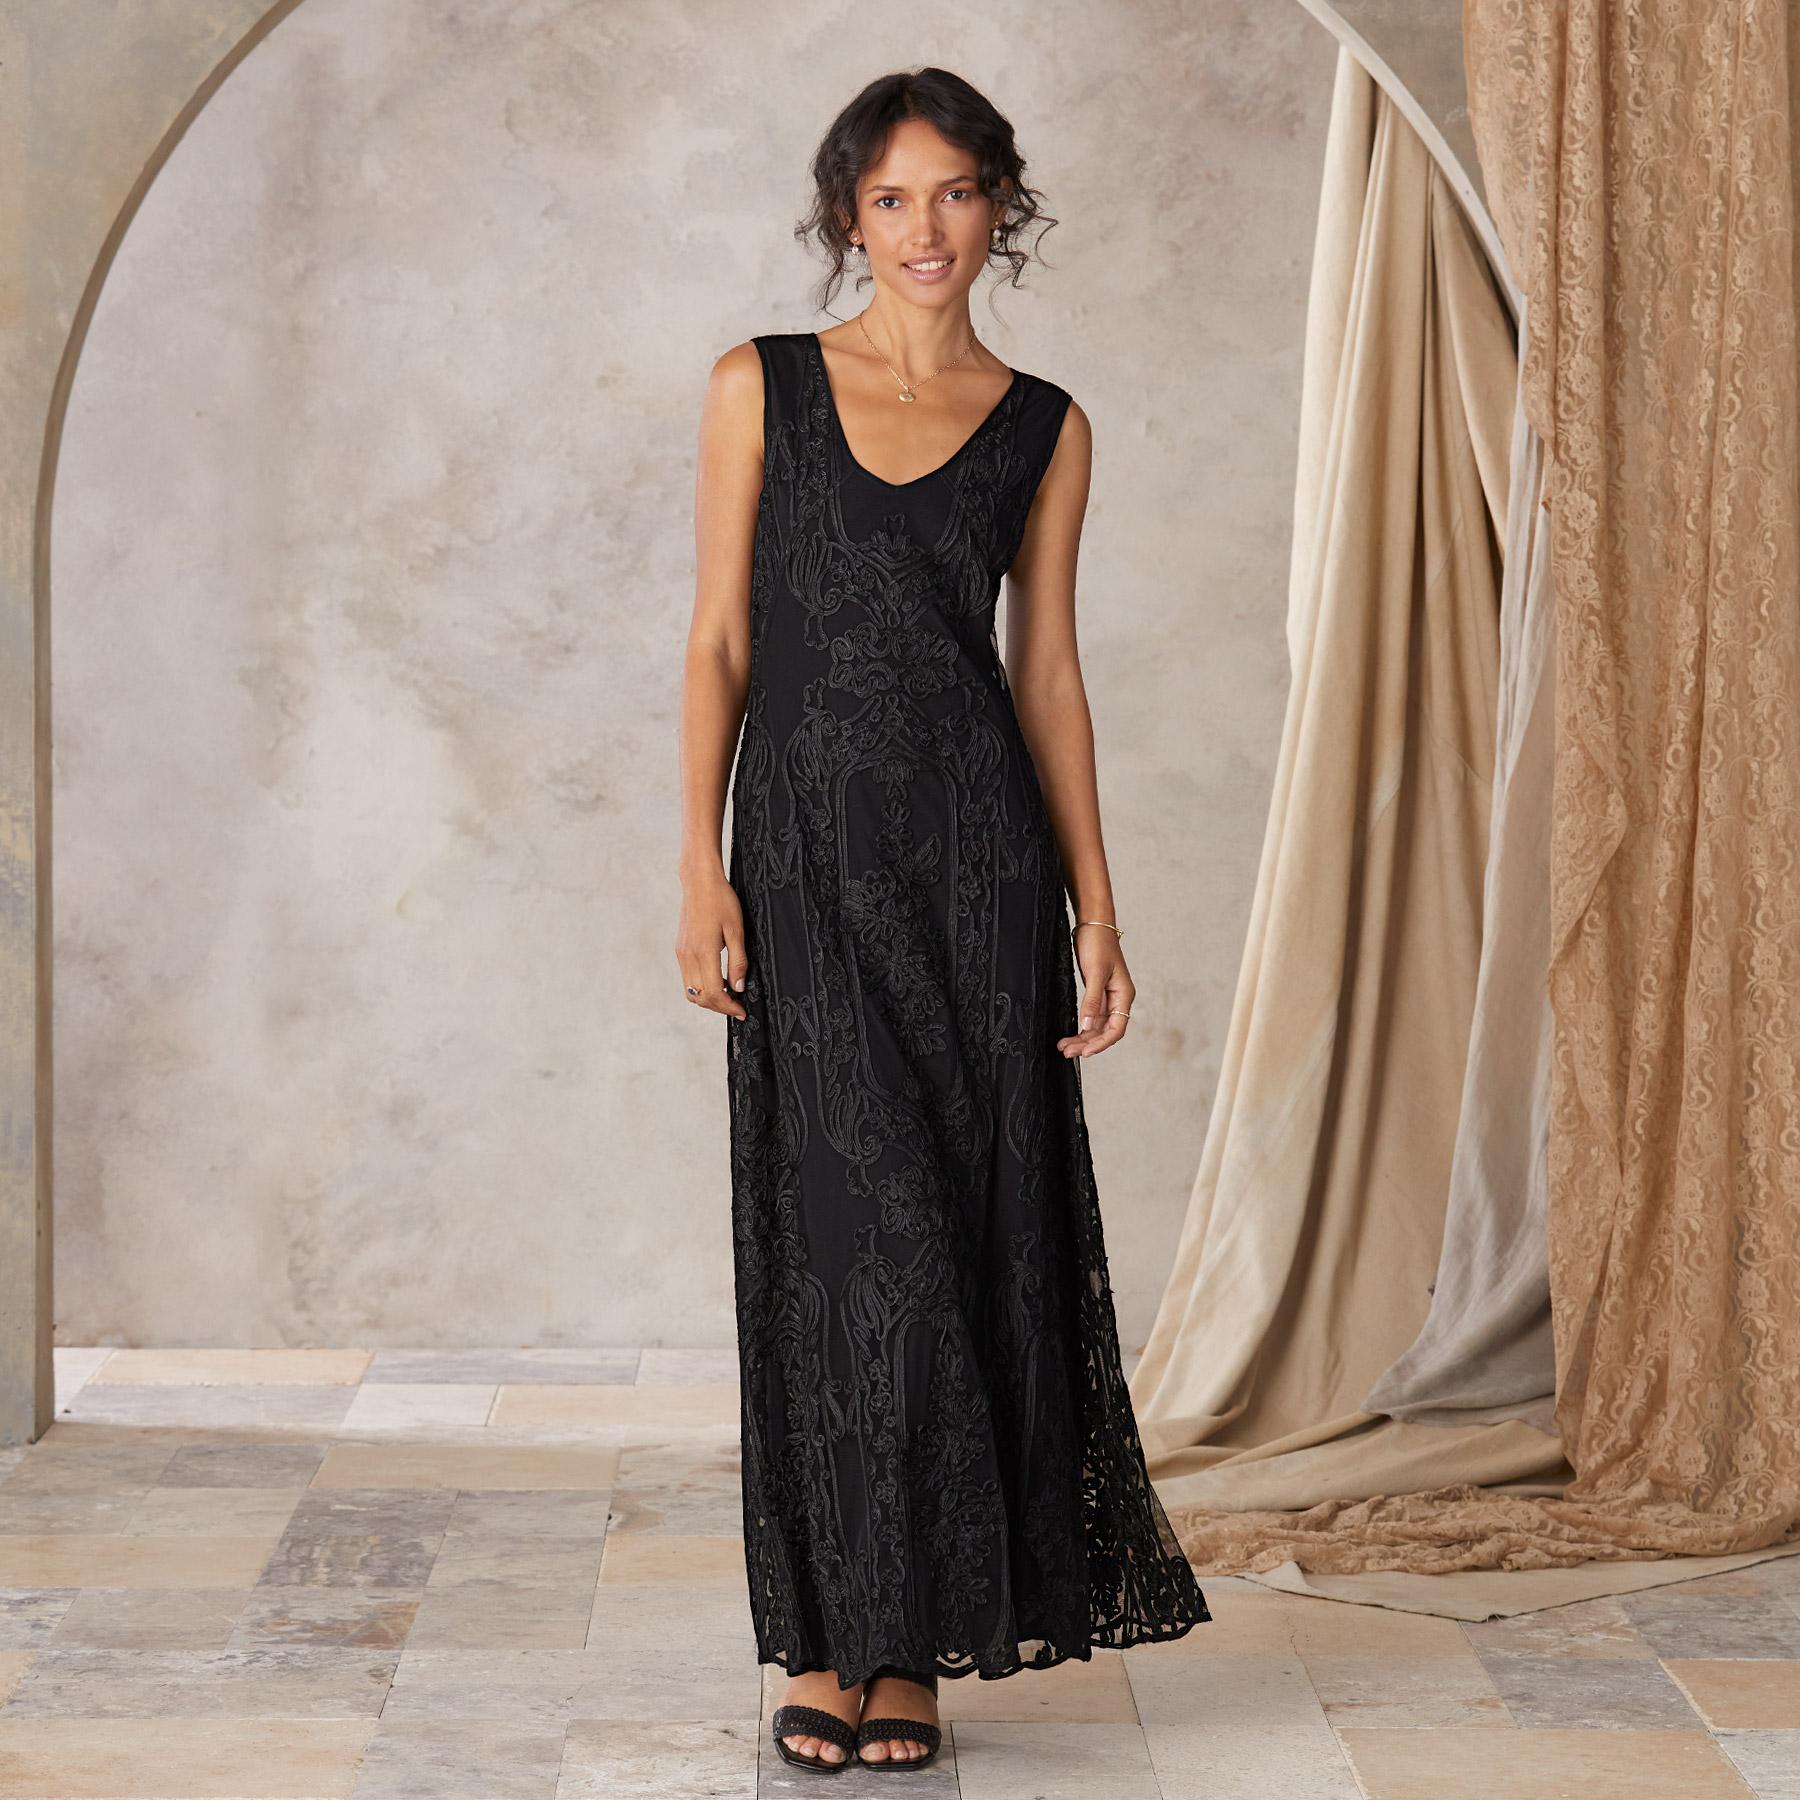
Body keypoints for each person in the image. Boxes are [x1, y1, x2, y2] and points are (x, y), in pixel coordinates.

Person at [676, 65, 1210, 1774]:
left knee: (961, 1238)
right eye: (893, 198)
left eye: (958, 193)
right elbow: (719, 642)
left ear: (1001, 210)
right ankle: (830, 1635)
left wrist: (1099, 912)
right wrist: (697, 864)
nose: (926, 228)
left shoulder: (1044, 425)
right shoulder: (760, 386)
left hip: (981, 873)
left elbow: (1045, 674)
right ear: (850, 216)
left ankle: (906, 1647)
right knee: (847, 1237)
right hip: (806, 870)